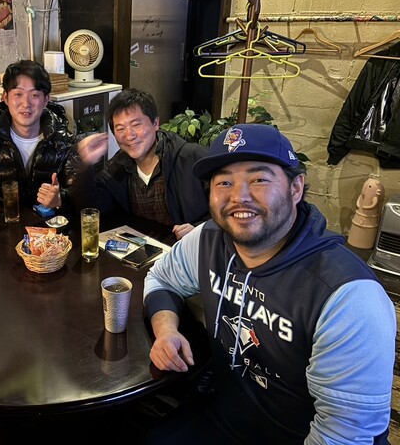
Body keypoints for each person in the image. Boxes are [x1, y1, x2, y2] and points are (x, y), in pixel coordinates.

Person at [143, 124, 395, 444]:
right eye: (224, 182)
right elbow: (161, 279)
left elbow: (343, 434)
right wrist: (166, 330)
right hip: (228, 415)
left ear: (296, 188)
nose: (239, 196)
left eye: (258, 179)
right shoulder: (209, 240)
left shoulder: (349, 296)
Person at [71, 88, 208, 240]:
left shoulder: (193, 158)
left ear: (155, 123)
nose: (129, 135)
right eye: (120, 129)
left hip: (188, 249)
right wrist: (86, 165)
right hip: (141, 251)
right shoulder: (117, 167)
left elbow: (226, 208)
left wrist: (199, 229)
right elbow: (92, 208)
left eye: (136, 125)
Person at [0, 59, 80, 216]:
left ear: (46, 100)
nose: (26, 103)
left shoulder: (65, 143)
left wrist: (60, 200)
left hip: (47, 229)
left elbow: (83, 198)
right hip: (0, 227)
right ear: (5, 97)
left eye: (34, 95)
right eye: (18, 94)